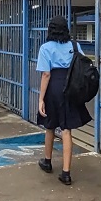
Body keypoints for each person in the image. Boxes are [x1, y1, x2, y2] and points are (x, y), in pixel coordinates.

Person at [36, 16, 92, 185]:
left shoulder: (45, 48)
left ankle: (47, 161)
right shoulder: (75, 46)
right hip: (71, 87)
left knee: (50, 125)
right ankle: (66, 173)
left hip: (53, 87)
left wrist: (41, 99)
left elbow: (46, 74)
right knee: (67, 129)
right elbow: (83, 64)